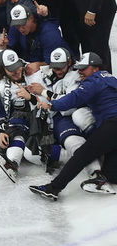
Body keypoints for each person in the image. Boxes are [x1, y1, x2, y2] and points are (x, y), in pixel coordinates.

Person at [30, 52, 117, 200]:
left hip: (112, 125)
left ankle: (53, 188)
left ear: (95, 68)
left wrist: (51, 105)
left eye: (83, 68)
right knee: (112, 176)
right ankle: (102, 180)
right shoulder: (111, 78)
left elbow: (73, 99)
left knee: (81, 155)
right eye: (78, 69)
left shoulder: (94, 80)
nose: (79, 72)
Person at [0, 49, 47, 183]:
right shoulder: (0, 86)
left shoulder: (34, 74)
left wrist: (30, 98)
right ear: (3, 70)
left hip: (43, 123)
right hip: (18, 126)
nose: (16, 71)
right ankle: (13, 163)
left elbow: (49, 105)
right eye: (11, 69)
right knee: (17, 120)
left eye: (17, 67)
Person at [1, 3, 70, 70]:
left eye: (23, 23)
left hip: (59, 66)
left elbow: (55, 62)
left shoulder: (49, 32)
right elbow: (9, 53)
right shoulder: (15, 28)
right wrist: (4, 47)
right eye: (17, 25)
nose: (20, 28)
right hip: (27, 64)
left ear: (31, 18)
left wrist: (39, 65)